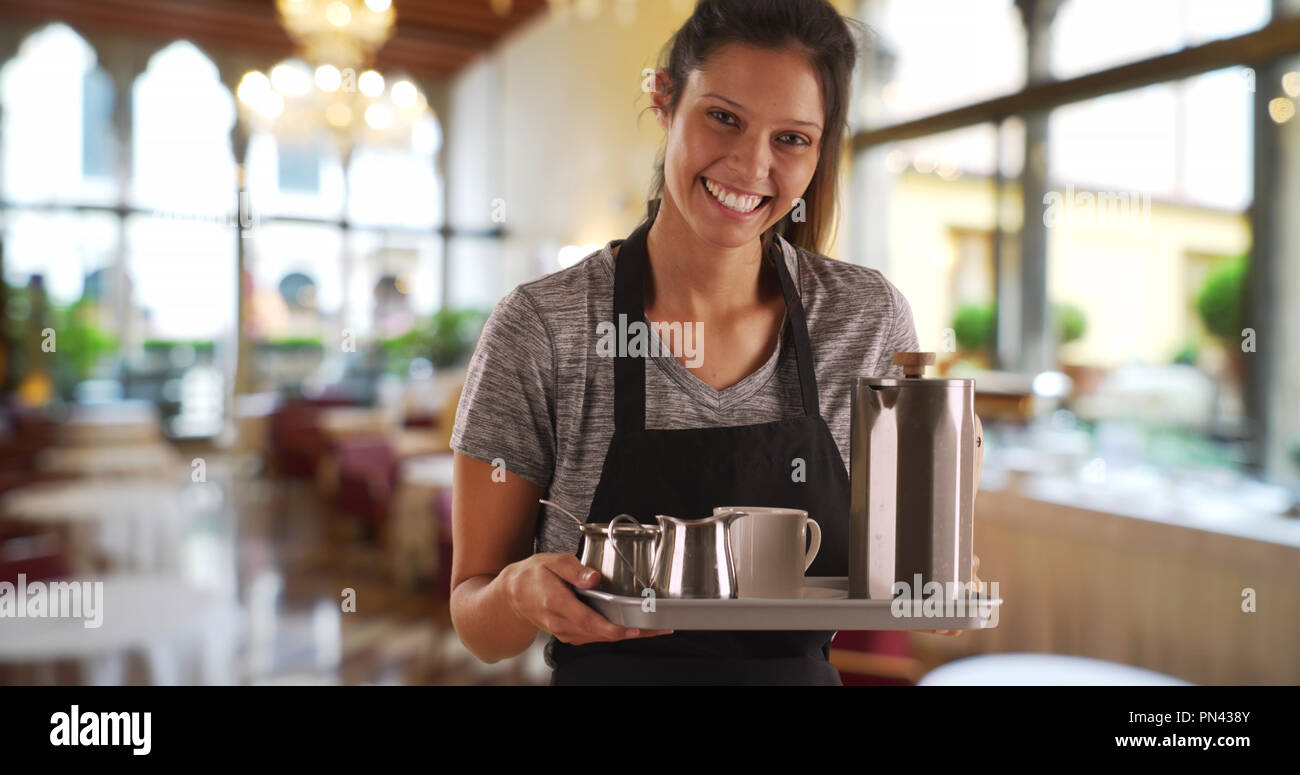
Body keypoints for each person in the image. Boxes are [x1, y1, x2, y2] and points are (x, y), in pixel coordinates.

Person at [449, 0, 964, 685]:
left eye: (792, 139)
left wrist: (935, 577)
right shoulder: (544, 328)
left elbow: (906, 562)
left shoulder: (864, 321)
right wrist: (516, 593)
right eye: (724, 117)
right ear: (665, 99)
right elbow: (476, 619)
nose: (750, 165)